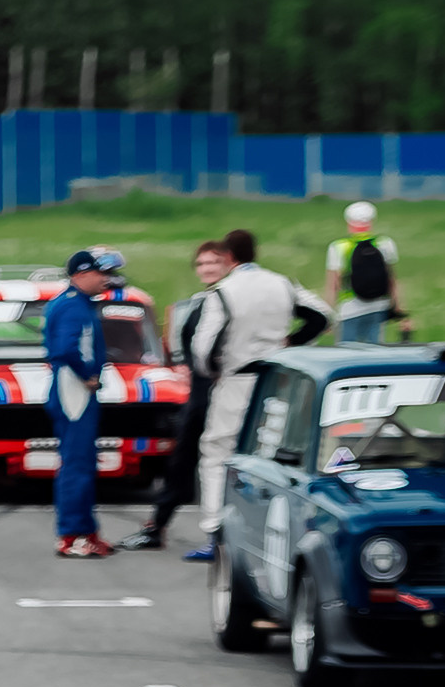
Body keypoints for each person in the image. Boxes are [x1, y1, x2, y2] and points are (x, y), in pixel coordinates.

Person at [183, 228, 331, 560]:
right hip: (278, 381)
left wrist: (211, 371)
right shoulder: (282, 283)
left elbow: (203, 346)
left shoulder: (223, 292)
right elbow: (321, 316)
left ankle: (216, 533)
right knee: (272, 457)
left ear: (227, 256)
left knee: (218, 452)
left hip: (237, 378)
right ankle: (272, 534)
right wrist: (291, 343)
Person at [119, 240, 231, 550]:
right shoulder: (200, 302)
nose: (207, 269)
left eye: (214, 262)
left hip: (228, 393)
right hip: (199, 393)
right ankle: (157, 526)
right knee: (181, 460)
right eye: (202, 263)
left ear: (228, 264)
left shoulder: (232, 300)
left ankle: (219, 537)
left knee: (218, 463)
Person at [43, 248, 123, 559]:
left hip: (74, 391)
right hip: (73, 393)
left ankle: (86, 530)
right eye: (101, 273)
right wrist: (87, 375)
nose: (106, 280)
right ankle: (71, 534)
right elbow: (65, 348)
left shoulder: (77, 303)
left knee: (85, 463)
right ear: (82, 274)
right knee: (77, 465)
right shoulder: (72, 306)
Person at [323, 201, 408, 344]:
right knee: (374, 351)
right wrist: (399, 309)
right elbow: (392, 280)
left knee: (347, 352)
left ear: (348, 222)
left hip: (349, 309)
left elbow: (333, 285)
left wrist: (327, 316)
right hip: (379, 306)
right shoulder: (384, 244)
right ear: (371, 221)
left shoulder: (338, 247)